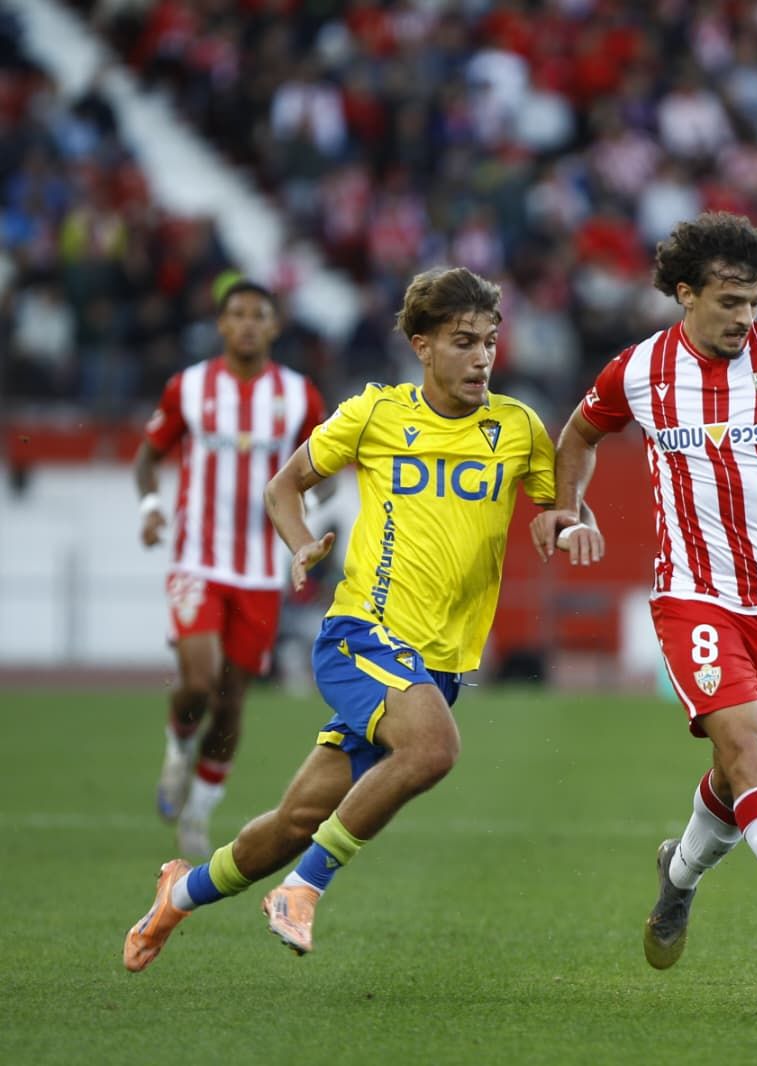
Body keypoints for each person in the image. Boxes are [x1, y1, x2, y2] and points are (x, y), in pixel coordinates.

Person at [125, 266, 588, 971]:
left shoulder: (518, 427)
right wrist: (301, 543)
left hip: (438, 662)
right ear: (420, 344)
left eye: (490, 341)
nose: (482, 357)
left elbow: (555, 509)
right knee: (433, 751)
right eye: (463, 341)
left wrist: (565, 526)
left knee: (293, 821)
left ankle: (178, 895)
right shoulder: (373, 415)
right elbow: (284, 486)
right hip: (363, 636)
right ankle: (304, 889)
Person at [532, 212, 757, 988]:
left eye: (756, 302)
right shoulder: (637, 372)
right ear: (683, 293)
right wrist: (567, 509)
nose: (744, 318)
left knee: (742, 781)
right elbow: (577, 436)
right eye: (730, 301)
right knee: (748, 751)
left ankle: (680, 874)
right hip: (693, 598)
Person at [134, 280, 327, 857]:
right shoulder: (189, 387)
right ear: (221, 325)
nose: (246, 324)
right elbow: (149, 455)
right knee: (197, 681)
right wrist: (150, 508)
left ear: (273, 327)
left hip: (262, 568)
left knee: (232, 698)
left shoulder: (298, 397)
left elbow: (325, 461)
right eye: (236, 314)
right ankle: (176, 747)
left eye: (258, 315)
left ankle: (198, 811)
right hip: (197, 557)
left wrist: (309, 505)